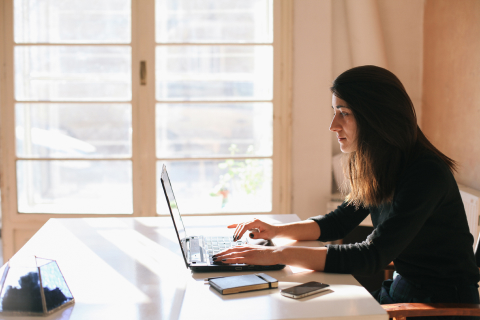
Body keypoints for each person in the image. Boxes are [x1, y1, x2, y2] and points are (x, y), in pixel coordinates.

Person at [213, 65, 480, 310]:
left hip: (441, 306)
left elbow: (371, 255)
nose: (333, 125)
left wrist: (275, 254)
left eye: (344, 113)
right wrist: (276, 231)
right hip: (402, 292)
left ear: (377, 117)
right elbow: (338, 223)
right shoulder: (383, 163)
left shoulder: (424, 173)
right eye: (334, 112)